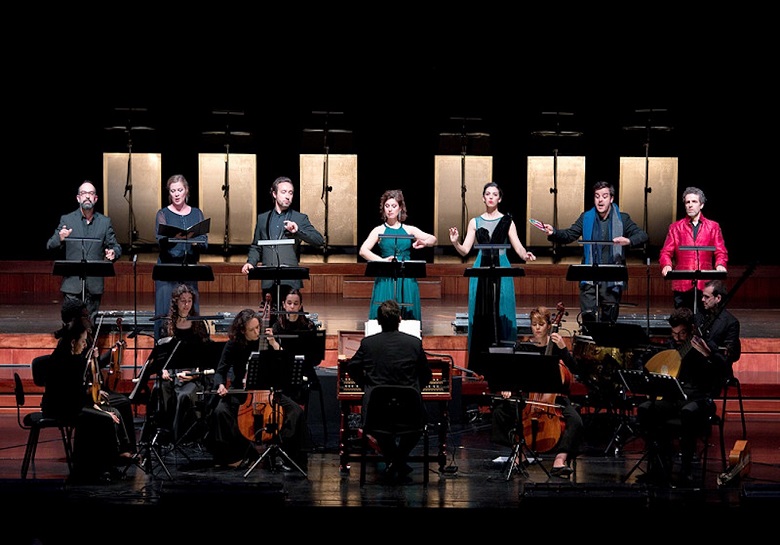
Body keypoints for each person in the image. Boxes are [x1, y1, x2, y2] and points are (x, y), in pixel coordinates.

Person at [636, 306, 727, 486]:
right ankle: (659, 465)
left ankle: (686, 470)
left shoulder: (706, 344)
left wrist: (708, 355)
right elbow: (647, 360)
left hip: (700, 400)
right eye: (674, 333)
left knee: (687, 412)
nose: (677, 338)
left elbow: (723, 371)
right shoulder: (671, 346)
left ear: (692, 329)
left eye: (682, 334)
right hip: (675, 399)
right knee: (645, 408)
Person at [449, 182, 536, 368]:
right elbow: (465, 250)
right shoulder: (475, 221)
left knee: (502, 311)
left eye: (494, 194)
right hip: (480, 270)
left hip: (502, 269)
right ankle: (480, 365)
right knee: (481, 313)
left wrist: (525, 255)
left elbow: (518, 247)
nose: (490, 197)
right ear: (483, 197)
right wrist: (455, 242)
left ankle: (504, 365)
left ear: (499, 198)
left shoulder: (507, 221)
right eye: (487, 193)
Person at [490, 306, 583, 478]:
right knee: (499, 413)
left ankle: (560, 459)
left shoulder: (557, 347)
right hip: (531, 399)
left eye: (541, 324)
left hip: (556, 400)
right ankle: (520, 452)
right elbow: (514, 374)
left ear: (549, 325)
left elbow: (575, 369)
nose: (537, 328)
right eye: (534, 324)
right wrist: (508, 387)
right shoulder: (525, 348)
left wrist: (563, 349)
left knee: (576, 420)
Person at [347, 299, 433, 483]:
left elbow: (352, 367)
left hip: (377, 412)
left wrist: (367, 387)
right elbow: (426, 375)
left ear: (378, 321)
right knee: (418, 427)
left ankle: (395, 461)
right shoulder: (414, 343)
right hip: (410, 412)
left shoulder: (368, 344)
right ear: (399, 319)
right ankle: (399, 460)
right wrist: (415, 390)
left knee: (379, 428)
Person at [42, 315, 134, 483]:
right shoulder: (66, 362)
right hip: (60, 407)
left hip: (72, 404)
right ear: (72, 342)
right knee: (106, 418)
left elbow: (80, 393)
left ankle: (113, 461)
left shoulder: (74, 358)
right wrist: (99, 409)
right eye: (83, 341)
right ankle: (101, 468)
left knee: (112, 411)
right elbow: (75, 398)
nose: (85, 344)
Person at [542, 180, 648, 324]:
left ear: (611, 199)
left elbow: (642, 235)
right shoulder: (586, 217)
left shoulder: (623, 218)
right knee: (588, 320)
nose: (600, 200)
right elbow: (569, 235)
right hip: (589, 277)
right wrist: (553, 232)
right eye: (597, 196)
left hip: (612, 278)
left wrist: (628, 241)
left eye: (604, 196)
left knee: (608, 322)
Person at [46, 180, 122, 325]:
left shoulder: (105, 222)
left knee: (90, 326)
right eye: (84, 193)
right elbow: (50, 245)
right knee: (70, 327)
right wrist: (60, 238)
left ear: (95, 198)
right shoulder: (67, 219)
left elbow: (116, 246)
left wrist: (113, 253)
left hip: (94, 285)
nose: (87, 196)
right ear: (78, 198)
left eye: (91, 193)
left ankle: (89, 348)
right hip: (72, 285)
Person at [242, 176, 324, 309]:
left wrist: (297, 231)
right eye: (284, 192)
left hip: (290, 281)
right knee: (271, 321)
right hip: (269, 280)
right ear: (274, 194)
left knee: (291, 321)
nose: (288, 196)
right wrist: (250, 262)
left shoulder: (299, 218)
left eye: (291, 193)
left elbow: (319, 240)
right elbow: (256, 246)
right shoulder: (263, 218)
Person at [360, 189, 437, 322]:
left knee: (407, 314)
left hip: (405, 276)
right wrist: (382, 261)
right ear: (383, 208)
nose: (390, 209)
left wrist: (423, 242)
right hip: (386, 277)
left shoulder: (408, 229)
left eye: (394, 206)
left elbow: (433, 239)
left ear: (400, 208)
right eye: (387, 206)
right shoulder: (379, 230)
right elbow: (363, 250)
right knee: (385, 312)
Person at [154, 283, 214, 444]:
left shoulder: (198, 324)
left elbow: (206, 356)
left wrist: (194, 372)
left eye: (189, 301)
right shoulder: (167, 324)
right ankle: (163, 433)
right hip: (173, 372)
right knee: (159, 388)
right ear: (176, 302)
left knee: (185, 395)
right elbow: (162, 354)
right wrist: (164, 369)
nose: (186, 305)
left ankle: (180, 437)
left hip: (192, 374)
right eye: (183, 301)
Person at [154, 174, 208, 342]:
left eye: (180, 190)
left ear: (186, 191)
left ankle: (190, 354)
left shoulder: (196, 213)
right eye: (173, 191)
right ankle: (163, 355)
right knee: (165, 313)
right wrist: (176, 238)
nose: (176, 194)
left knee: (190, 311)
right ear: (169, 193)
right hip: (168, 271)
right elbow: (161, 241)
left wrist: (192, 241)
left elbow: (204, 243)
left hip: (189, 270)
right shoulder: (162, 213)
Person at [659, 186, 728, 311]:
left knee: (704, 321)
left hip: (705, 284)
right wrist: (666, 265)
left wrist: (720, 264)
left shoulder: (713, 227)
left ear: (701, 205)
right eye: (687, 202)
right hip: (682, 283)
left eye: (694, 202)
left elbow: (720, 251)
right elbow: (666, 252)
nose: (690, 205)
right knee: (682, 319)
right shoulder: (675, 227)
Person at [209, 308, 263, 468]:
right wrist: (220, 385)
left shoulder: (265, 342)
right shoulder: (233, 344)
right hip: (239, 389)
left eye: (258, 327)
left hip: (262, 391)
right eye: (252, 330)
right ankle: (230, 456)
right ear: (242, 331)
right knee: (220, 412)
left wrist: (273, 344)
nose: (257, 332)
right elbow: (221, 371)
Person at [695, 279, 742, 381]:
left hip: (716, 372)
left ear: (718, 298)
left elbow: (728, 359)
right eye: (702, 296)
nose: (703, 299)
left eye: (706, 297)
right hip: (697, 370)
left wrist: (709, 352)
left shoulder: (731, 323)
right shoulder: (699, 317)